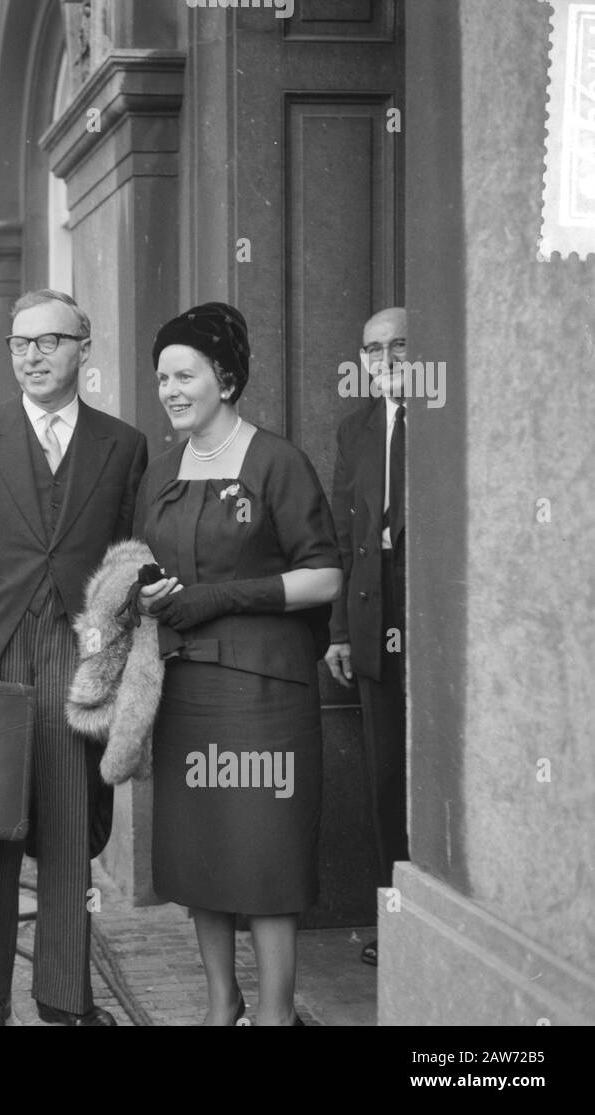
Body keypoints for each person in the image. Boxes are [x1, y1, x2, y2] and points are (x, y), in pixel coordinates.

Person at [0, 289, 147, 1026]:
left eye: (49, 341)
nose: (33, 356)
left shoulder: (122, 444)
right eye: (20, 344)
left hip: (78, 652)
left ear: (84, 346)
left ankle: (65, 998)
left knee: (71, 829)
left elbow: (133, 558)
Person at [134, 302, 341, 1027]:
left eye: (184, 374)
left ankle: (277, 1014)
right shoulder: (161, 472)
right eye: (162, 377)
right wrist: (151, 594)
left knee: (266, 853)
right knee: (203, 855)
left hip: (262, 693)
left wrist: (219, 596)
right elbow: (146, 566)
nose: (170, 389)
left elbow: (324, 577)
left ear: (224, 377)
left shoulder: (277, 461)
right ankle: (223, 1005)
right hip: (187, 686)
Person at [324, 306, 409, 969]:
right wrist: (339, 633)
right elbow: (341, 542)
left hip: (434, 632)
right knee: (383, 778)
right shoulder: (354, 431)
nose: (386, 358)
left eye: (400, 345)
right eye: (374, 348)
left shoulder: (445, 415)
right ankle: (397, 921)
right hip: (371, 628)